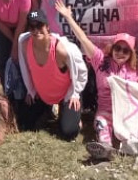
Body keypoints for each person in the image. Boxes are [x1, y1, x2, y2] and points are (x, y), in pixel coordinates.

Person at [53, 1, 138, 160]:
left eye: (126, 50)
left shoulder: (136, 70)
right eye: (117, 48)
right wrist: (68, 17)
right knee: (100, 124)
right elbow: (83, 39)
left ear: (131, 54)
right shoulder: (100, 61)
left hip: (127, 113)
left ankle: (128, 146)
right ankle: (106, 149)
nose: (120, 53)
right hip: (105, 112)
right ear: (112, 48)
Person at [16, 10, 88, 140]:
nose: (36, 30)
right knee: (25, 123)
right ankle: (50, 109)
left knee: (68, 132)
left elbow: (82, 71)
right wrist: (30, 90)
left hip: (66, 94)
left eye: (39, 26)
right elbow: (25, 67)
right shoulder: (24, 43)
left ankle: (72, 116)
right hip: (44, 93)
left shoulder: (62, 50)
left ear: (47, 27)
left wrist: (75, 93)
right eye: (32, 27)